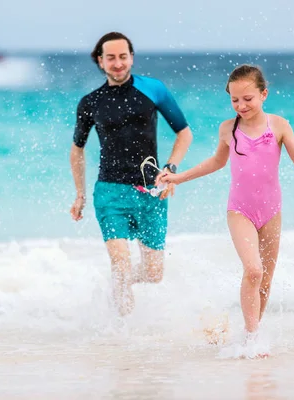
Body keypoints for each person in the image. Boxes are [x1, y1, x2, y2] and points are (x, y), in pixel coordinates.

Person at [160, 64, 294, 340]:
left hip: (272, 212)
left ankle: (249, 338)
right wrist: (178, 178)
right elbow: (216, 162)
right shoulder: (228, 128)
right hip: (240, 211)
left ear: (263, 94)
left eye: (248, 99)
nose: (241, 105)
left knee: (265, 281)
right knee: (254, 270)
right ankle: (253, 337)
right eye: (235, 100)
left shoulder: (279, 125)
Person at [69, 32, 193, 316]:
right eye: (110, 58)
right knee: (121, 261)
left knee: (153, 273)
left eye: (123, 57)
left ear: (131, 57)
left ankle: (117, 286)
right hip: (110, 193)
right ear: (100, 61)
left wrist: (171, 169)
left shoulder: (154, 90)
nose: (117, 63)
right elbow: (77, 150)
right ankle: (122, 335)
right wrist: (80, 194)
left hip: (151, 191)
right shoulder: (91, 102)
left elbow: (184, 133)